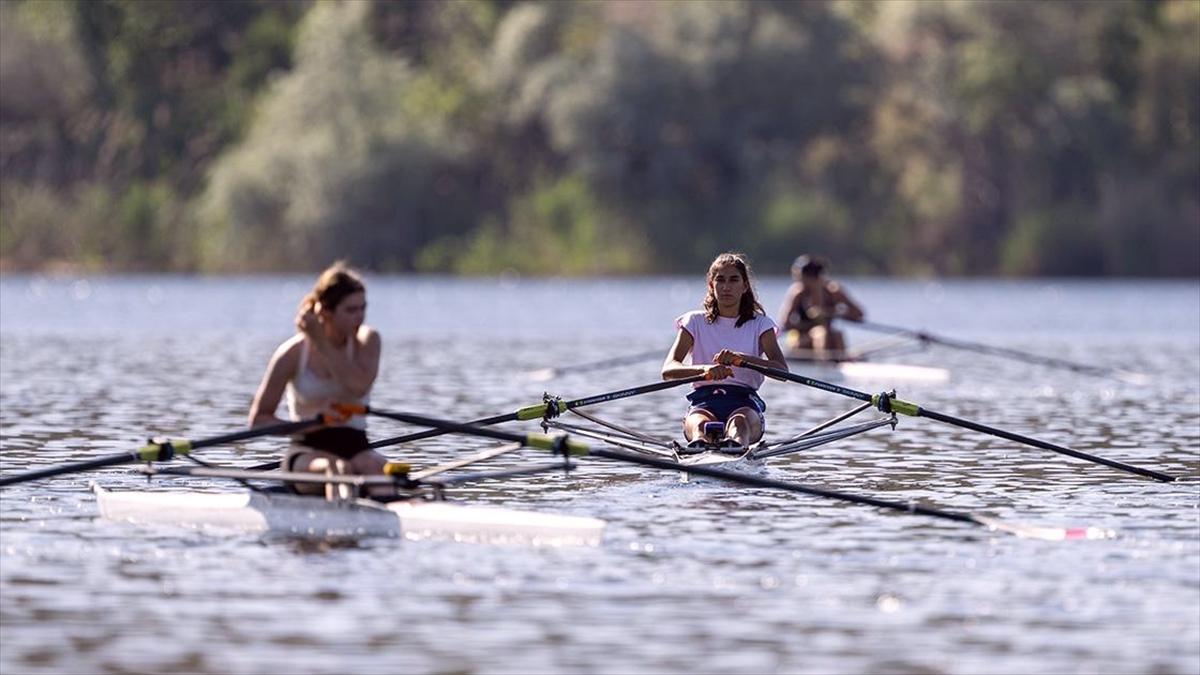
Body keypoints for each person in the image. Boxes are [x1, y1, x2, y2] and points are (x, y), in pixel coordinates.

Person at [247, 262, 387, 497]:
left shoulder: (368, 341)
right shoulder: (292, 354)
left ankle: (398, 512)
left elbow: (358, 385)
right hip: (306, 451)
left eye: (363, 308)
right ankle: (338, 529)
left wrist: (322, 342)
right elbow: (258, 420)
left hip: (358, 446)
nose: (360, 317)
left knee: (376, 467)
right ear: (326, 312)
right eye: (351, 310)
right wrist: (314, 421)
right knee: (337, 468)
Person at [662, 252, 789, 451]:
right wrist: (706, 371)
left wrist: (742, 359)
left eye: (733, 280)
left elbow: (782, 371)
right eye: (720, 280)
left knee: (738, 424)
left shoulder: (761, 325)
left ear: (745, 286)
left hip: (745, 402)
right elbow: (668, 370)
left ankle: (734, 447)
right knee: (700, 425)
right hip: (703, 401)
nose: (726, 287)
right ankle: (700, 446)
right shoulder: (694, 322)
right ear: (711, 286)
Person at [777, 254, 864, 359]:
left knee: (837, 335)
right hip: (801, 339)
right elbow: (785, 325)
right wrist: (812, 323)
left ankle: (839, 367)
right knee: (821, 333)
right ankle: (824, 368)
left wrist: (831, 313)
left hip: (830, 338)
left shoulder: (833, 291)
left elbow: (858, 314)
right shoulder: (798, 293)